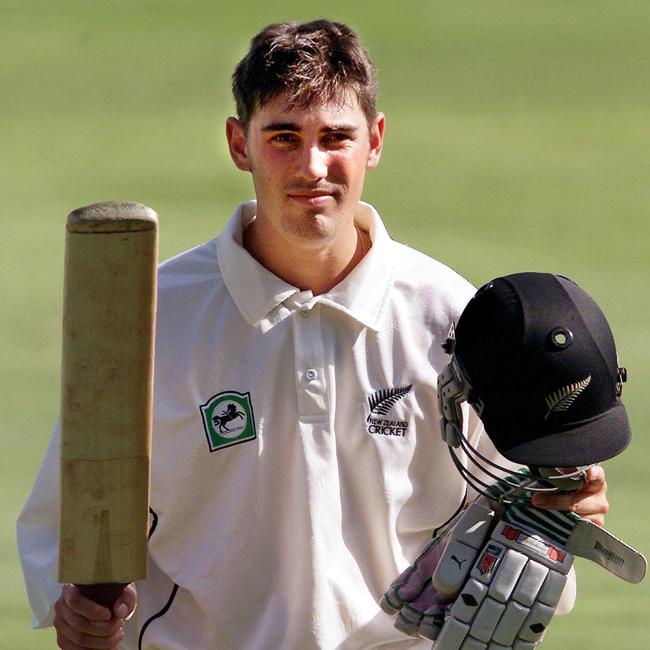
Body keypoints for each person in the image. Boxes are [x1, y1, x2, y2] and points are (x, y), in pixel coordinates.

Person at [17, 19, 609, 650]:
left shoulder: (453, 316)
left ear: (374, 140)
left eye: (336, 137)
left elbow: (520, 513)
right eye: (283, 137)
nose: (312, 166)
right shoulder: (152, 317)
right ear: (238, 144)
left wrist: (555, 517)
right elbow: (69, 524)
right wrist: (79, 611)